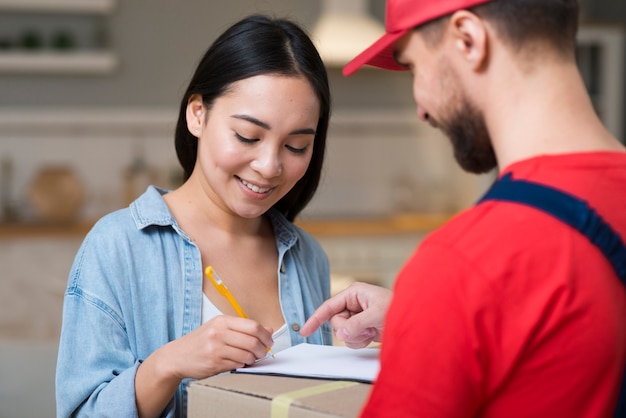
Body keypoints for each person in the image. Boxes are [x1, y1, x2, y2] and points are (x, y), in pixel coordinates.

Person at [301, 0, 626, 416]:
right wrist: (424, 320)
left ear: (468, 40)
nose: (420, 108)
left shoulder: (465, 263)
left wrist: (442, 307)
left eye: (415, 66)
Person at [56, 14, 333, 418]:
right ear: (197, 114)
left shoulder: (307, 256)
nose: (270, 166)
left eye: (295, 146)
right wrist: (167, 365)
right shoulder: (117, 247)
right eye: (248, 136)